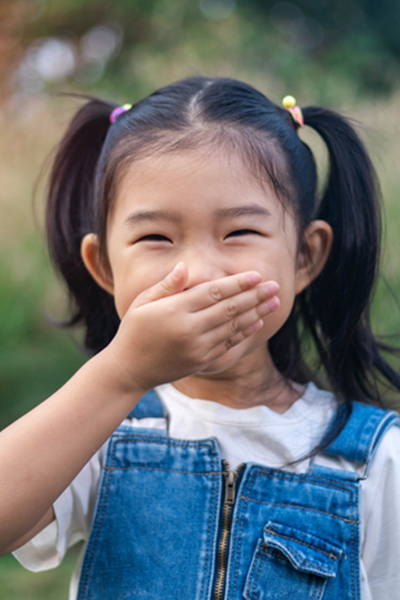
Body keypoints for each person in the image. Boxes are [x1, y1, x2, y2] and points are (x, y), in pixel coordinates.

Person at [0, 77, 399, 600]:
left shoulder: (374, 460)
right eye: (156, 237)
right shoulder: (99, 433)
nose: (200, 272)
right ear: (105, 267)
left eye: (239, 233)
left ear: (304, 257)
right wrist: (122, 373)